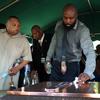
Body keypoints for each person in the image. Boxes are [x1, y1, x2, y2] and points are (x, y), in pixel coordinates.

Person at [46, 4, 96, 84]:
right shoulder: (58, 25)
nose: (68, 21)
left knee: (69, 91)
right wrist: (48, 59)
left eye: (71, 18)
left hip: (72, 65)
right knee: (53, 90)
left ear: (76, 16)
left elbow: (89, 51)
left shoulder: (83, 30)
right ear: (62, 16)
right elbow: (54, 42)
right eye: (65, 18)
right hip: (56, 64)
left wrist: (88, 72)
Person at [0, 16, 32, 90]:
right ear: (7, 25)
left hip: (10, 76)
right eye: (14, 25)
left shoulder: (23, 40)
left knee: (7, 96)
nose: (17, 27)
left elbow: (27, 58)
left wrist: (17, 68)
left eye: (18, 25)